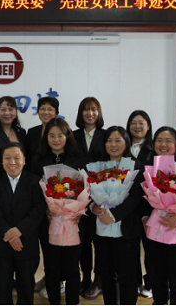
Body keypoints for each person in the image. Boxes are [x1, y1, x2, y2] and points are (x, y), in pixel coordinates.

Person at [31, 118, 87, 304]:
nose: (56, 139)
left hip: (74, 221)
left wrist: (78, 211)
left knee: (72, 267)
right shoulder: (38, 160)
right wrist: (46, 208)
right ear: (46, 138)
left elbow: (87, 189)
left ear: (67, 136)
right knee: (51, 266)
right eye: (51, 135)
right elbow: (34, 190)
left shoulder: (79, 159)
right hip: (48, 221)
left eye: (60, 135)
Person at [0, 142, 46, 304]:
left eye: (17, 158)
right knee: (1, 290)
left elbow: (38, 210)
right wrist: (8, 232)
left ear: (24, 160)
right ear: (2, 161)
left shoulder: (35, 181)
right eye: (7, 158)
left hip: (26, 243)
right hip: (0, 243)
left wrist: (19, 231)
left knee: (26, 290)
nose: (12, 162)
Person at [142, 126, 176, 305]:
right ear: (153, 144)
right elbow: (140, 198)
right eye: (159, 140)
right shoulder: (147, 167)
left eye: (168, 141)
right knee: (156, 276)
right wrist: (144, 218)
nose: (163, 144)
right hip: (154, 229)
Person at [92, 126, 145, 305]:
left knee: (127, 276)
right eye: (109, 140)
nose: (113, 145)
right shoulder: (97, 166)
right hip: (102, 229)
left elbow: (136, 197)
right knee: (107, 275)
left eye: (118, 140)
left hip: (127, 230)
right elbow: (89, 193)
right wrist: (93, 206)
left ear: (126, 143)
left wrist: (114, 215)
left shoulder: (136, 166)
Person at [72, 96, 106, 298]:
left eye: (94, 109)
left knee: (100, 239)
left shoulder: (106, 135)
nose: (90, 113)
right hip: (79, 196)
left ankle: (99, 279)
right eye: (86, 109)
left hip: (103, 195)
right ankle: (85, 277)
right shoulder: (72, 135)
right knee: (82, 240)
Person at [0, 96, 27, 168]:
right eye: (3, 110)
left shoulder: (21, 132)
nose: (7, 113)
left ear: (15, 112)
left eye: (11, 109)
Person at [25, 96, 59, 172]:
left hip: (57, 175)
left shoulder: (63, 132)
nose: (46, 112)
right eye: (42, 109)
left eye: (50, 109)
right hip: (34, 174)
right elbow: (28, 157)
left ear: (56, 113)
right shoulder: (32, 132)